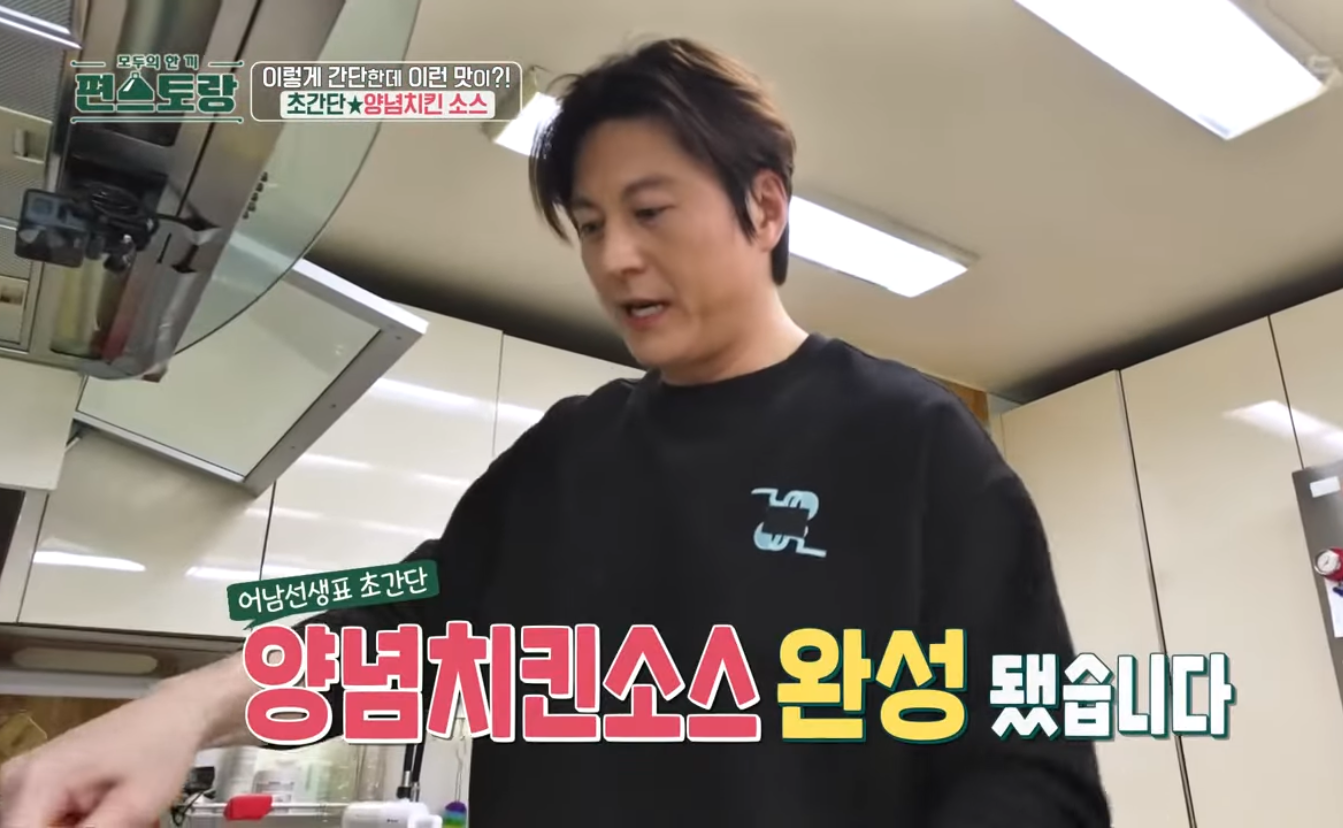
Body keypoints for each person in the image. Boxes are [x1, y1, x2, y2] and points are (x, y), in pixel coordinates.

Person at [0, 38, 1110, 827]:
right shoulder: (567, 453)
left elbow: (1031, 776)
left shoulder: (909, 440)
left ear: (765, 207)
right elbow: (402, 624)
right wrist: (182, 707)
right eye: (588, 225)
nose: (614, 258)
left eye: (650, 211)